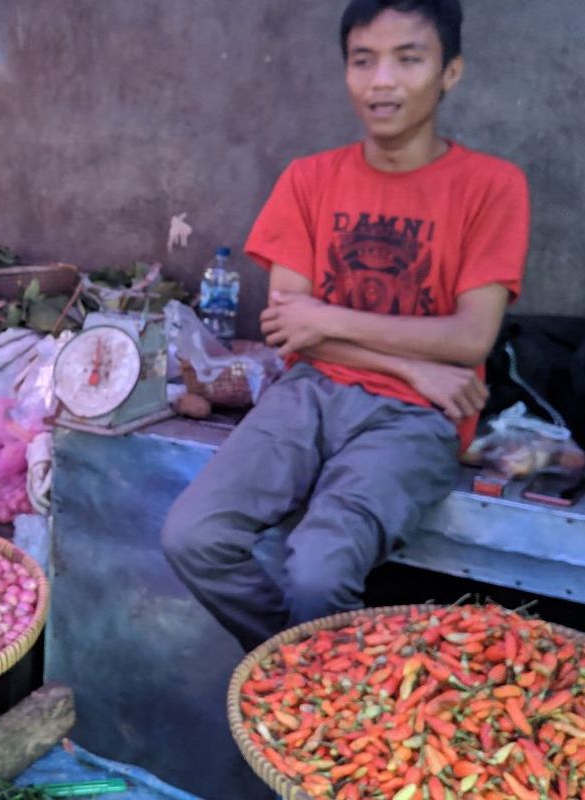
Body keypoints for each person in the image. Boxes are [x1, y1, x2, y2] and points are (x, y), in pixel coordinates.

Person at [161, 0, 529, 651]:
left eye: (407, 59)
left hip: (417, 417)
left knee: (318, 574)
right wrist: (413, 360)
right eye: (363, 61)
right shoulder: (309, 180)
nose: (381, 80)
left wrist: (327, 319)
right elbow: (288, 328)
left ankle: (308, 701)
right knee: (193, 535)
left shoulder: (491, 186)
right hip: (309, 392)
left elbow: (472, 337)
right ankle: (308, 679)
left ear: (450, 72)